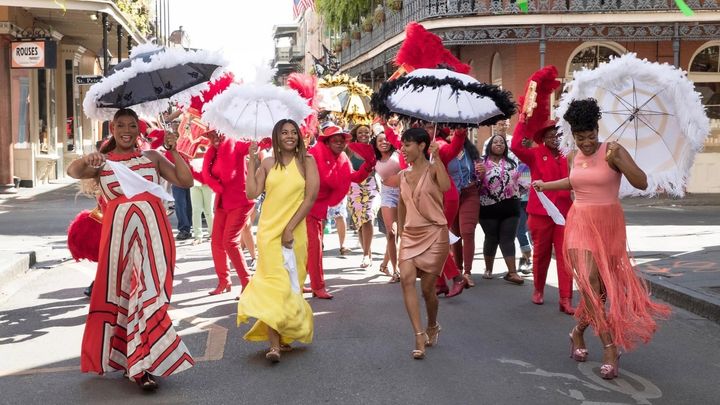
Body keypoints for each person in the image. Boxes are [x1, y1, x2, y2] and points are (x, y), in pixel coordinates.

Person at [533, 98, 670, 380]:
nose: (586, 143)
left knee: (603, 292)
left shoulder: (614, 151)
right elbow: (575, 181)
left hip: (609, 226)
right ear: (573, 135)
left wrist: (618, 160)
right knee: (589, 284)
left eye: (591, 136)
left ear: (598, 129)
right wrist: (546, 185)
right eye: (580, 137)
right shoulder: (572, 155)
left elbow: (641, 182)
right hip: (580, 223)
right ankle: (610, 347)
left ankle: (577, 332)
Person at [67, 108, 194, 391]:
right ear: (111, 128)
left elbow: (186, 181)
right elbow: (73, 171)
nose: (126, 129)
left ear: (139, 129)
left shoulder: (152, 157)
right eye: (120, 125)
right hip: (119, 240)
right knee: (129, 296)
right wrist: (89, 158)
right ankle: (139, 366)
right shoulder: (104, 162)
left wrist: (174, 150)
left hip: (155, 237)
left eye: (132, 125)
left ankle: (140, 362)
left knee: (148, 295)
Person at [237, 118, 318, 363]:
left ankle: (283, 335)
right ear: (277, 136)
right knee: (273, 285)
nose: (290, 136)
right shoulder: (268, 162)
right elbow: (252, 192)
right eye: (285, 132)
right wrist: (252, 161)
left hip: (295, 232)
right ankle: (274, 345)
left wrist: (290, 228)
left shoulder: (307, 162)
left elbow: (311, 197)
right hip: (268, 233)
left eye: (294, 132)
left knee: (292, 284)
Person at [397, 127, 451, 360]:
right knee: (406, 280)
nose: (403, 149)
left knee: (428, 290)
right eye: (402, 144)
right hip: (410, 235)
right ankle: (418, 335)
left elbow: (446, 187)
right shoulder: (402, 175)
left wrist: (437, 158)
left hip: (435, 234)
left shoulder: (434, 169)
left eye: (407, 144)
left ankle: (432, 325)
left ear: (421, 146)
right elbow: (401, 204)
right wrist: (400, 231)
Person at [510, 119, 574, 313]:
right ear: (544, 138)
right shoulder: (535, 154)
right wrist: (522, 120)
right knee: (541, 254)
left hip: (564, 212)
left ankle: (566, 298)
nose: (555, 139)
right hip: (540, 212)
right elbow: (515, 145)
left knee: (565, 256)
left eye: (558, 135)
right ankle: (538, 289)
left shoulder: (569, 154)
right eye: (551, 135)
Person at [304, 124, 375, 299]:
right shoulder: (313, 154)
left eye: (341, 140)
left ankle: (302, 283)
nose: (339, 143)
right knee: (313, 247)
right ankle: (317, 286)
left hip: (318, 208)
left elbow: (355, 177)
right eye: (334, 140)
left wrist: (368, 164)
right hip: (304, 206)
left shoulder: (342, 158)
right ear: (326, 143)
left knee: (312, 247)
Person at [201, 131, 256, 298]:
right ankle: (224, 281)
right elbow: (207, 175)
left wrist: (254, 142)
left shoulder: (236, 143)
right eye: (210, 136)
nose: (214, 139)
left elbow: (249, 146)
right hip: (222, 203)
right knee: (216, 242)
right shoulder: (213, 152)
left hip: (240, 201)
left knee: (229, 242)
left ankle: (248, 282)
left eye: (217, 134)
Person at [477, 134, 524, 285]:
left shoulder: (512, 162)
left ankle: (512, 272)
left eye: (502, 142)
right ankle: (488, 269)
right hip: (487, 207)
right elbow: (474, 184)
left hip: (511, 207)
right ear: (489, 145)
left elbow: (521, 181)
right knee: (491, 238)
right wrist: (480, 174)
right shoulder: (481, 162)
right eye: (495, 142)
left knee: (508, 239)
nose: (499, 144)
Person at [347, 124, 379, 269]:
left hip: (371, 186)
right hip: (354, 187)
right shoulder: (350, 148)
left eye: (366, 132)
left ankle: (366, 255)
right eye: (360, 132)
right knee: (360, 222)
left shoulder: (375, 148)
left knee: (368, 217)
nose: (364, 134)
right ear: (356, 134)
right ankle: (367, 253)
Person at [373, 126, 402, 281]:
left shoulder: (399, 153)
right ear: (376, 144)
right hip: (388, 195)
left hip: (405, 194)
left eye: (386, 139)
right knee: (392, 233)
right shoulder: (374, 159)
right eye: (380, 140)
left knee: (402, 234)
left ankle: (384, 263)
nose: (384, 142)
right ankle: (395, 270)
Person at [189, 145, 214, 245]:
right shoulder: (191, 146)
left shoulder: (210, 146)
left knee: (209, 210)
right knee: (196, 210)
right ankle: (198, 236)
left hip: (208, 182)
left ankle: (212, 234)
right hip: (195, 182)